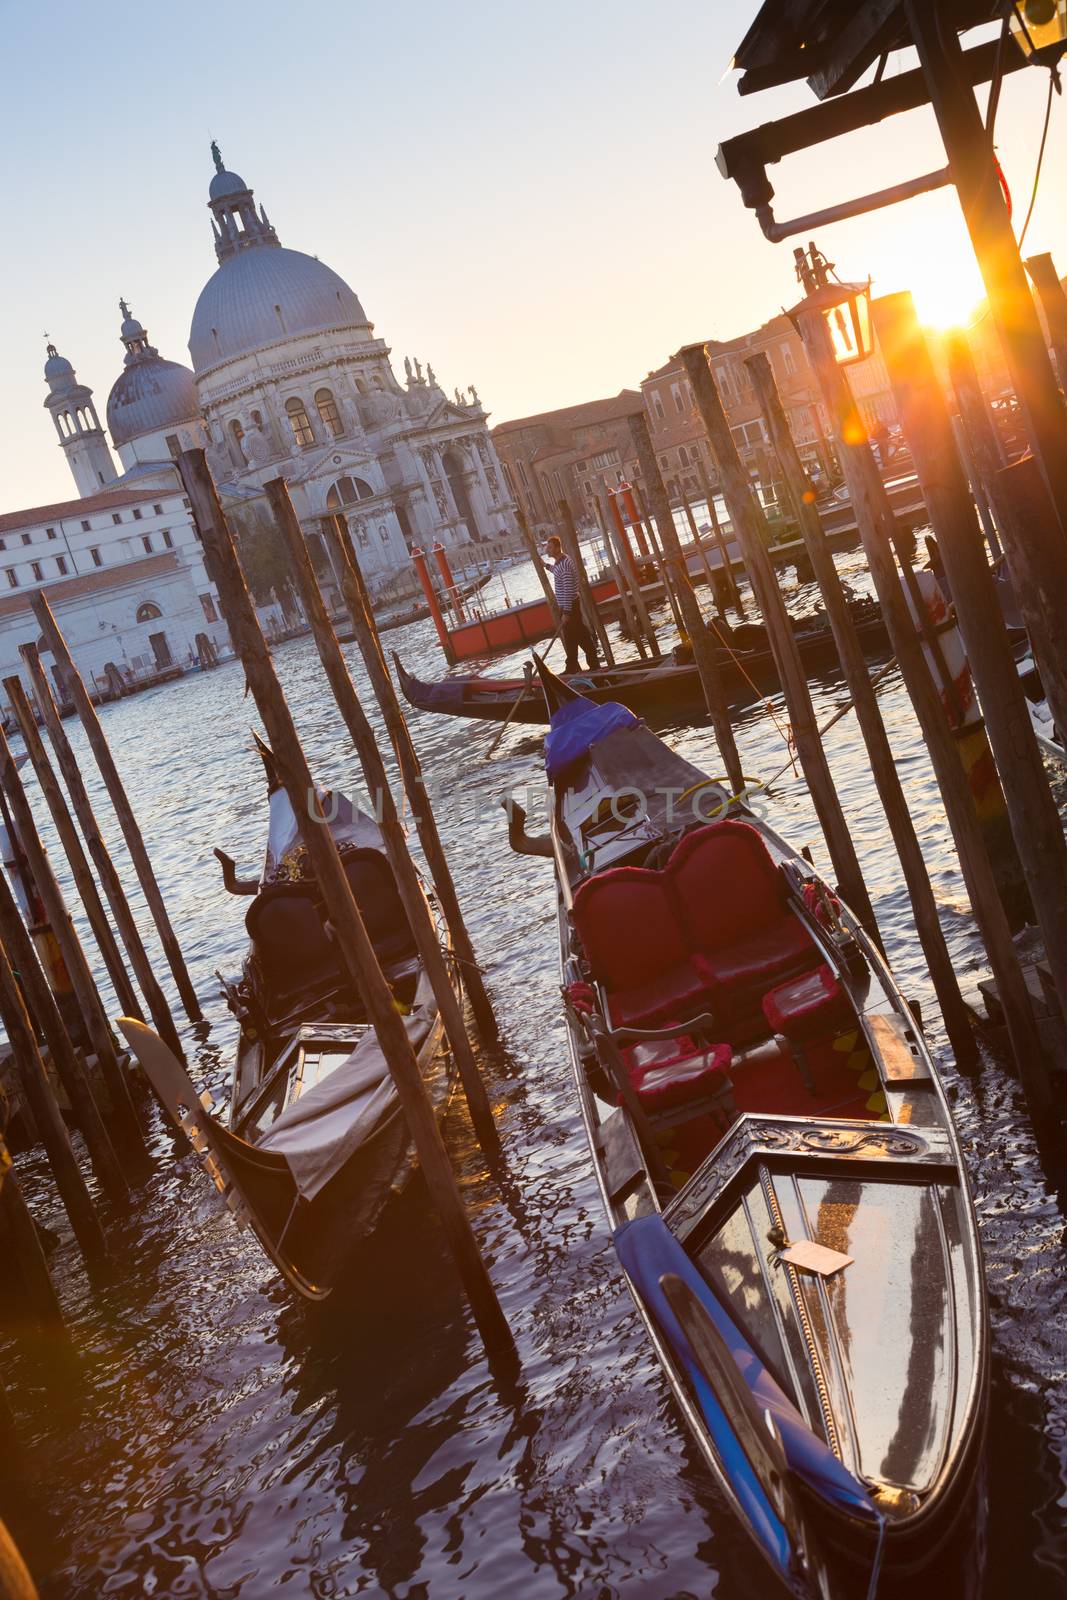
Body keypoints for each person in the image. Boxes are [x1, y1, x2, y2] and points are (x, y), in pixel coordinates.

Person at [544, 535, 599, 673]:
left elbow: (568, 590)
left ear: (557, 548)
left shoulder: (565, 564)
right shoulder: (560, 562)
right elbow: (557, 571)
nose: (547, 550)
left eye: (549, 547)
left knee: (581, 636)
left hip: (571, 607)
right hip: (568, 607)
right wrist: (545, 565)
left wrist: (567, 613)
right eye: (547, 547)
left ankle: (593, 665)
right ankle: (572, 667)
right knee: (570, 639)